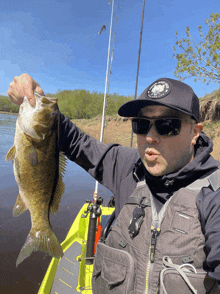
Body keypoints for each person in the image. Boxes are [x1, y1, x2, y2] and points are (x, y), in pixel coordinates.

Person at [8, 74, 220, 293]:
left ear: (195, 132)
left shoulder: (214, 194)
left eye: (167, 125)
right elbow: (77, 143)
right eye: (141, 124)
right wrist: (39, 104)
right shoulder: (128, 165)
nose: (150, 136)